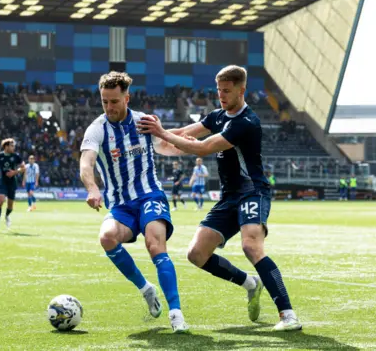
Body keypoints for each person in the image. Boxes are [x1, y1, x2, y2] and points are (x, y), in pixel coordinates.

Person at [138, 65, 301, 331]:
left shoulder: (246, 123)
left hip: (253, 191)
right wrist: (151, 137)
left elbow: (202, 147)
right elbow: (183, 134)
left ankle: (288, 315)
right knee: (196, 254)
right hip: (228, 197)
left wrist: (161, 134)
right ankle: (250, 284)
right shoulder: (216, 116)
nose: (222, 96)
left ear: (241, 90)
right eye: (219, 90)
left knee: (251, 246)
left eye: (227, 91)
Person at [79, 71, 189, 333]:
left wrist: (184, 145)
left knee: (154, 244)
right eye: (105, 101)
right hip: (120, 205)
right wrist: (92, 188)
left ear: (127, 98)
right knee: (106, 238)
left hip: (150, 194)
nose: (109, 107)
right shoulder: (97, 129)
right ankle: (146, 288)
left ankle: (176, 313)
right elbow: (86, 162)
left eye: (114, 101)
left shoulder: (144, 122)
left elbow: (163, 147)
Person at [0, 138, 25, 233]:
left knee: (10, 207)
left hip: (12, 183)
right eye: (12, 146)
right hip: (2, 182)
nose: (14, 147)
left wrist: (15, 172)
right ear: (6, 146)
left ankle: (7, 215)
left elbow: (23, 167)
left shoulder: (16, 156)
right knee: (0, 201)